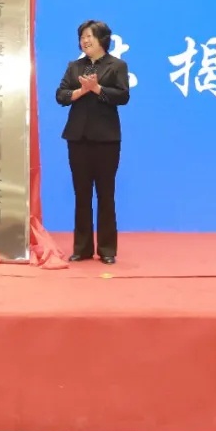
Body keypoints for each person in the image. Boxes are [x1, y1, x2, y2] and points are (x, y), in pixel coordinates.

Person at [55, 20, 131, 265]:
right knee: (82, 195)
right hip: (77, 138)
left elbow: (123, 96)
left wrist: (97, 89)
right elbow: (61, 95)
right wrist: (80, 91)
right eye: (82, 37)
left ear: (102, 39)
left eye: (89, 36)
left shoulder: (117, 65)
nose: (85, 41)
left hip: (106, 140)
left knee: (106, 195)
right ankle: (82, 248)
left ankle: (107, 249)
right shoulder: (75, 67)